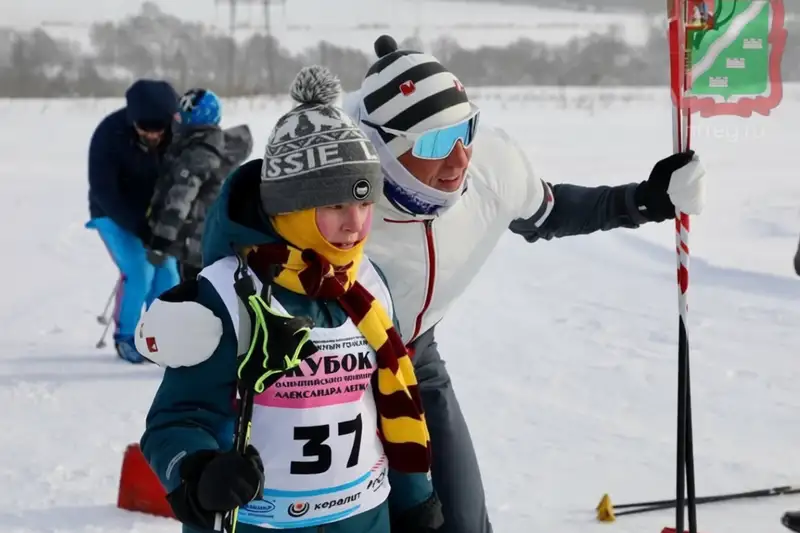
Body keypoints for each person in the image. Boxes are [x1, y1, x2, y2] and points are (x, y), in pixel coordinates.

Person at [340, 35, 708, 533]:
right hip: (332, 373)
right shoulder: (339, 197)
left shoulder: (491, 167)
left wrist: (643, 200)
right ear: (383, 147)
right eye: (431, 142)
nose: (458, 159)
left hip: (415, 359)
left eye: (465, 130)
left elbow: (551, 212)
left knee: (463, 523)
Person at [136, 66, 443, 533]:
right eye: (335, 205)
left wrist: (417, 504)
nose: (355, 225)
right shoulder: (227, 292)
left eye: (364, 203)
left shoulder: (368, 284)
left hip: (365, 519)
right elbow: (177, 418)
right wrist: (197, 474)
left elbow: (391, 406)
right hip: (259, 523)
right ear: (292, 208)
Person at [85, 78, 181, 364]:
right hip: (113, 212)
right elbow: (104, 191)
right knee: (139, 271)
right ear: (132, 119)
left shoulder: (179, 133)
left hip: (157, 214)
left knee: (168, 276)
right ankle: (126, 336)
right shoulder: (108, 134)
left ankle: (158, 335)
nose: (152, 135)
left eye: (158, 130)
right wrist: (139, 227)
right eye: (144, 129)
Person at [145, 87, 254, 283]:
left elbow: (182, 195)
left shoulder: (200, 155)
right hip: (200, 239)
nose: (176, 120)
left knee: (190, 297)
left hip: (192, 243)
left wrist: (162, 239)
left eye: (182, 115)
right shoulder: (203, 144)